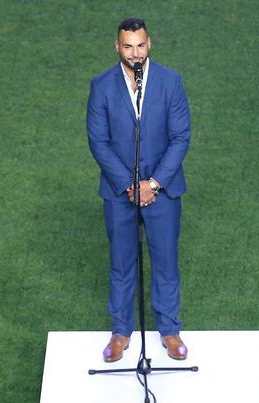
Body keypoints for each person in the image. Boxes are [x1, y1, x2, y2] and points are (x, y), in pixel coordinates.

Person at [86, 17, 191, 362]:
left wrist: (154, 183)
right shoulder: (101, 86)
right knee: (121, 263)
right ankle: (120, 332)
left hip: (163, 192)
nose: (135, 53)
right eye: (128, 46)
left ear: (150, 44)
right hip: (120, 194)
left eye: (140, 45)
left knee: (165, 262)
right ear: (117, 47)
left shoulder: (171, 83)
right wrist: (131, 185)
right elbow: (98, 142)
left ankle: (170, 331)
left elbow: (180, 137)